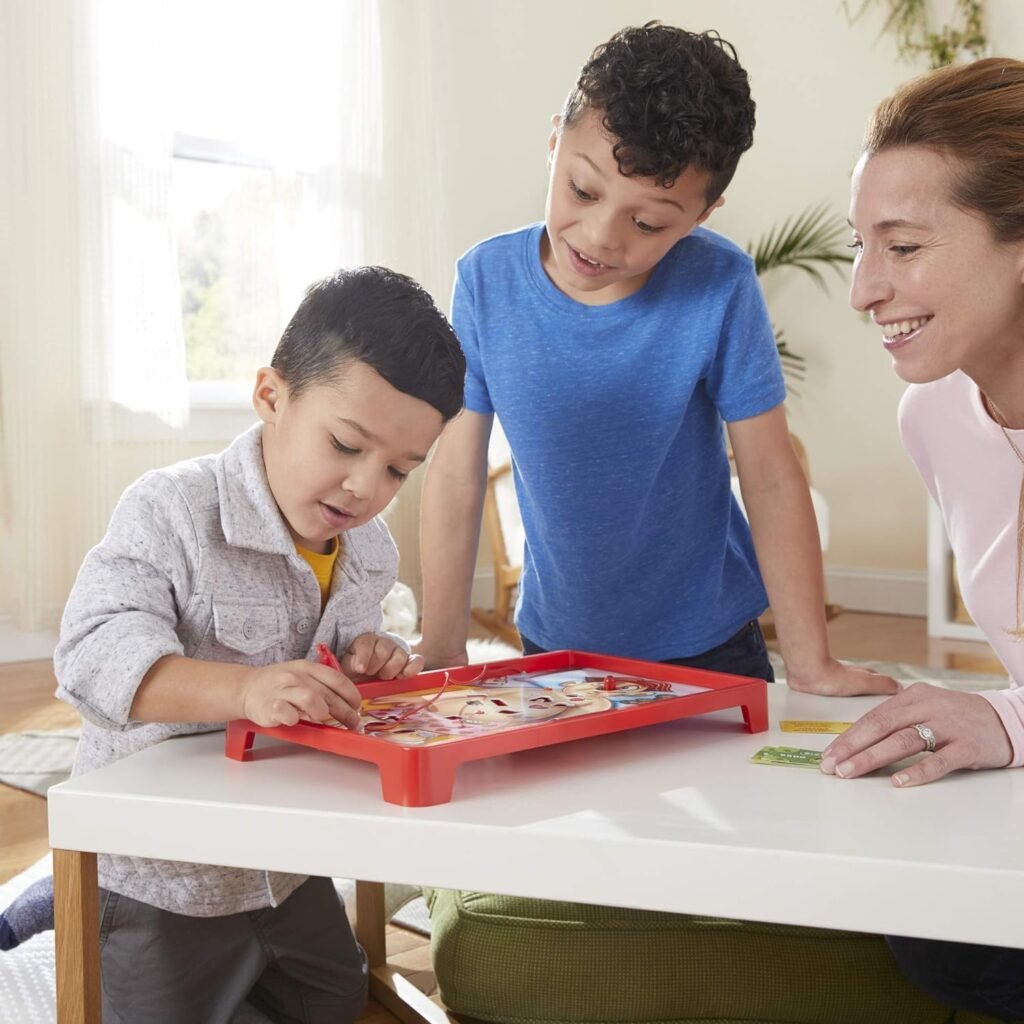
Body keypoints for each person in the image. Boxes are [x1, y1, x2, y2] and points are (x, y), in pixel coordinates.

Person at [0, 267, 465, 1024]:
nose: (363, 487)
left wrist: (366, 661)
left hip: (281, 862)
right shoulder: (171, 510)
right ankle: (68, 898)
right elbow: (92, 654)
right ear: (271, 397)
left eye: (397, 471)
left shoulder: (370, 551)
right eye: (346, 445)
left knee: (336, 1001)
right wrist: (243, 690)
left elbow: (333, 667)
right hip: (160, 870)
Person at [417, 21, 896, 698]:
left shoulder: (720, 282)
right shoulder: (485, 282)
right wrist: (441, 646)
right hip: (557, 644)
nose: (600, 236)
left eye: (648, 223)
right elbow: (456, 474)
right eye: (583, 190)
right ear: (555, 141)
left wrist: (811, 662)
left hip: (713, 642)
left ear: (704, 214)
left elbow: (769, 476)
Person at [827, 57, 1024, 1020]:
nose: (866, 289)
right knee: (930, 929)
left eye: (901, 247)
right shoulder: (937, 416)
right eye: (862, 246)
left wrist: (1007, 722)